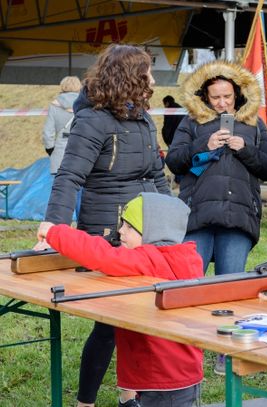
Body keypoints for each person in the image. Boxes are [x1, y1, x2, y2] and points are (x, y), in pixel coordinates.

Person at [35, 44, 170, 407]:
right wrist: (53, 231)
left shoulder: (143, 117)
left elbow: (157, 175)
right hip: (109, 234)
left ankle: (129, 393)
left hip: (147, 232)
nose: (153, 80)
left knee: (139, 317)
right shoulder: (92, 120)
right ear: (129, 77)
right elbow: (68, 177)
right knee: (110, 325)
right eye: (147, 72)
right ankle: (86, 402)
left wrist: (172, 224)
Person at [37, 193, 204, 407]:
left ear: (153, 232)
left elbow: (102, 255)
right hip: (176, 371)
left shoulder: (149, 259)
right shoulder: (183, 256)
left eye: (129, 227)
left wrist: (54, 231)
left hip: (162, 377)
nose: (120, 231)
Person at [165, 60, 267, 275]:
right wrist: (203, 145)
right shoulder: (191, 122)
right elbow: (174, 161)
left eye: (227, 96)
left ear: (238, 93)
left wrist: (245, 150)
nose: (222, 103)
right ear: (205, 96)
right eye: (215, 97)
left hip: (239, 216)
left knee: (229, 288)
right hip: (197, 215)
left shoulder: (255, 124)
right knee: (188, 283)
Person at [41, 76, 82, 175]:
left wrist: (50, 149)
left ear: (62, 87)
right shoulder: (86, 105)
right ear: (79, 87)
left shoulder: (54, 105)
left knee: (60, 188)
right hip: (81, 153)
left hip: (60, 156)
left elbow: (47, 132)